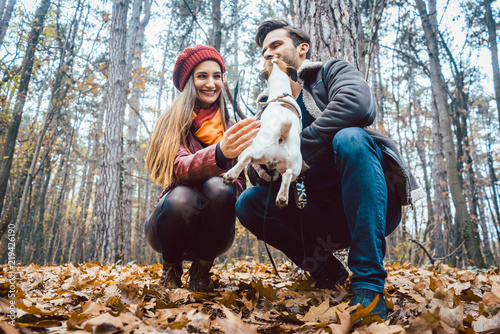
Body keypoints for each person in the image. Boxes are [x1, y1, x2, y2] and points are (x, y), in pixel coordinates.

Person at [235, 20, 425, 319]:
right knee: (248, 202)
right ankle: (327, 271)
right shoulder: (267, 109)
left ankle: (368, 285)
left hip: (371, 206)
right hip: (316, 217)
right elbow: (258, 178)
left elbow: (358, 105)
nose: (268, 53)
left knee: (350, 137)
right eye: (263, 51)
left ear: (302, 48)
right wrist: (267, 161)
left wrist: (296, 147)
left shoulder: (330, 71)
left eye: (275, 45)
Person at [145, 45, 260, 292]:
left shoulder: (232, 126)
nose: (211, 83)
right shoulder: (172, 120)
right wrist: (219, 154)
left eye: (217, 76)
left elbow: (239, 185)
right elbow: (178, 167)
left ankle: (201, 272)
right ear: (189, 82)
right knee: (182, 197)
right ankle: (171, 269)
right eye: (202, 76)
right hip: (170, 224)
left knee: (220, 187)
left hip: (215, 232)